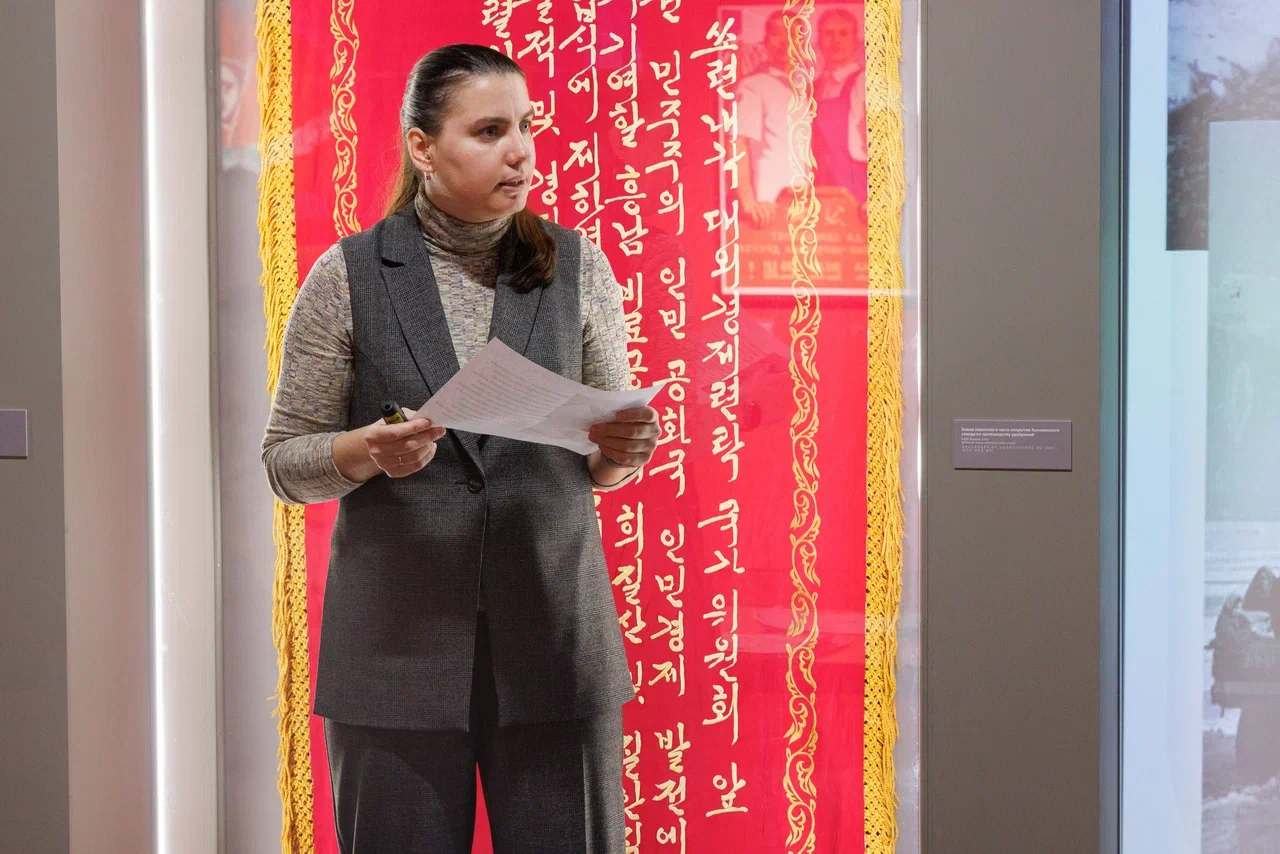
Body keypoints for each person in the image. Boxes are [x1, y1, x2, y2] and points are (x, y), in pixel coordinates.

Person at [261, 43, 659, 853]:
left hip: (555, 641)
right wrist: (366, 451)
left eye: (527, 127)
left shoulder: (579, 267)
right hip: (393, 653)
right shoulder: (348, 274)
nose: (520, 152)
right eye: (488, 131)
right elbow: (285, 463)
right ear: (422, 147)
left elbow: (605, 465)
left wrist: (626, 447)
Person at [736, 10, 795, 229]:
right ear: (766, 41)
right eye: (777, 33)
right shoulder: (753, 86)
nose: (784, 41)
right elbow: (738, 143)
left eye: (792, 34)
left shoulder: (808, 90)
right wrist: (749, 203)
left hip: (804, 208)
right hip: (767, 210)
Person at [812, 7, 868, 205]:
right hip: (817, 187)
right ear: (819, 41)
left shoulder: (865, 82)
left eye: (843, 34)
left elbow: (882, 143)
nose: (836, 40)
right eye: (828, 34)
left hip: (855, 188)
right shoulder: (812, 88)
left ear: (856, 42)